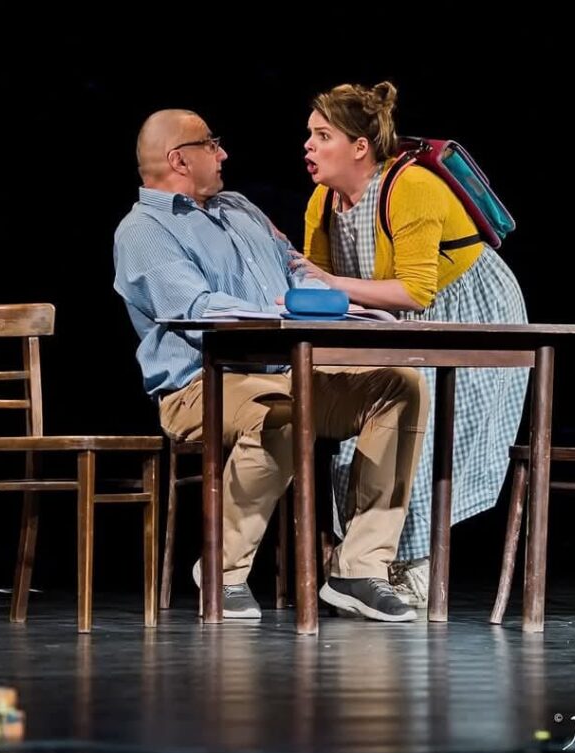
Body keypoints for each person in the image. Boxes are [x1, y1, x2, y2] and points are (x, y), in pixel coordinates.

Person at [113, 108, 429, 622]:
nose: (222, 153)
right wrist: (282, 312)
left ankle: (359, 567)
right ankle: (223, 571)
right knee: (280, 411)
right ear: (179, 159)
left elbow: (296, 271)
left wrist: (337, 308)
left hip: (286, 374)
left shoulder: (240, 209)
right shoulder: (143, 230)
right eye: (210, 144)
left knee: (399, 385)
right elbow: (196, 311)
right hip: (199, 387)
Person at [297, 82, 530, 607]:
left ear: (360, 146)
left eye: (323, 135)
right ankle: (368, 561)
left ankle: (416, 565)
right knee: (365, 422)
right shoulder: (322, 201)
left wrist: (328, 284)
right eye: (310, 134)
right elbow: (317, 286)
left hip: (465, 310)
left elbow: (416, 291)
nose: (308, 145)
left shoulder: (412, 187)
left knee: (423, 428)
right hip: (387, 322)